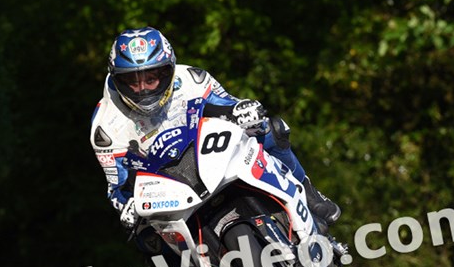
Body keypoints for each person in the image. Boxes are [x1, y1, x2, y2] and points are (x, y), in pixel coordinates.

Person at [91, 26, 339, 231]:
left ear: (168, 70)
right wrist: (125, 205)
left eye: (151, 78)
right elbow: (117, 186)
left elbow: (229, 106)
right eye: (132, 82)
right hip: (163, 188)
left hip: (209, 154)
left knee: (270, 128)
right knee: (146, 239)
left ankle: (306, 190)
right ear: (116, 79)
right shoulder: (104, 127)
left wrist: (243, 110)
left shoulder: (192, 79)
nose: (143, 89)